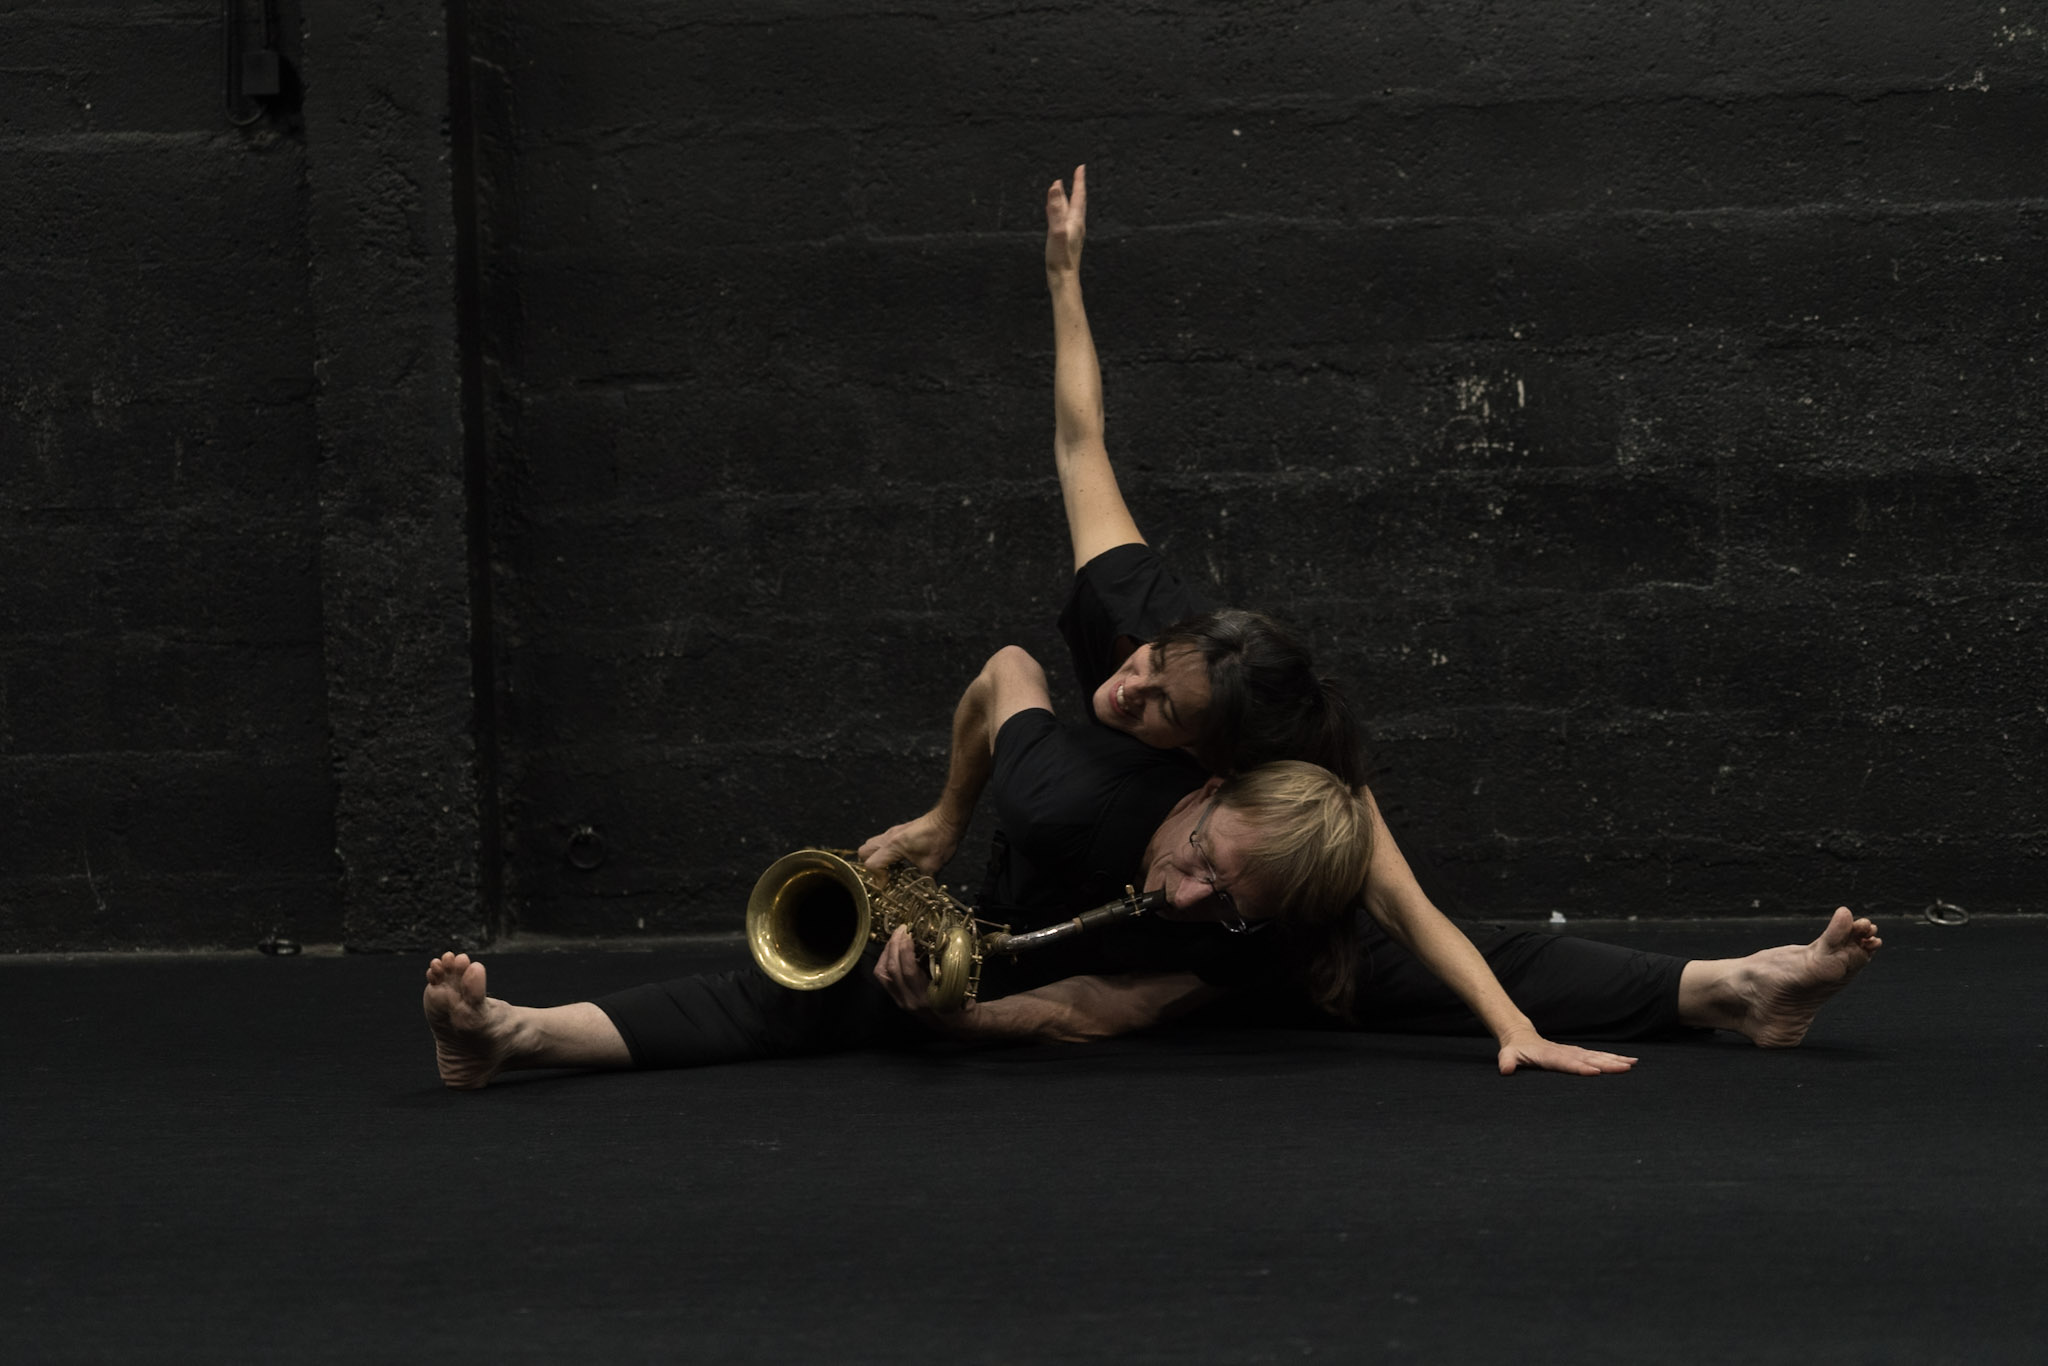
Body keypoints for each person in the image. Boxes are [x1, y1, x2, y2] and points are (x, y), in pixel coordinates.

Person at [424, 646, 1394, 1088]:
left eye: (1222, 901)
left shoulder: (1251, 935)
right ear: (1204, 791)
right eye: (1199, 859)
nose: (1182, 896)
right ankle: (514, 1032)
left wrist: (962, 1020)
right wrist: (943, 821)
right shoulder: (1069, 788)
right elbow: (1007, 670)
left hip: (1044, 972)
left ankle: (514, 1037)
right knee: (791, 995)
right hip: (1005, 909)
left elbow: (1101, 1009)